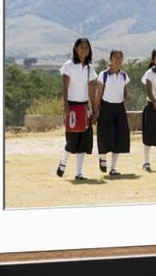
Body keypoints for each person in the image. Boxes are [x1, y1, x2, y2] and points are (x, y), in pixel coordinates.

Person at [56, 38, 97, 180]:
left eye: (86, 47)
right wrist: (66, 105)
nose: (84, 50)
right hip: (72, 107)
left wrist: (95, 111)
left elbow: (92, 91)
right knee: (72, 140)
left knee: (84, 141)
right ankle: (63, 162)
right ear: (75, 48)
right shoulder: (69, 65)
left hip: (84, 106)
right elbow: (65, 87)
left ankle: (79, 172)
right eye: (81, 47)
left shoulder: (90, 68)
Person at [94, 49, 131, 177]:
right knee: (105, 135)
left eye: (120, 57)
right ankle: (102, 157)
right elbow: (98, 95)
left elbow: (126, 91)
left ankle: (113, 169)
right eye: (115, 57)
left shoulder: (124, 75)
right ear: (110, 59)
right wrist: (95, 112)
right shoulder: (103, 75)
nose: (118, 59)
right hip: (106, 108)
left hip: (119, 109)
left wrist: (126, 96)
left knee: (119, 138)